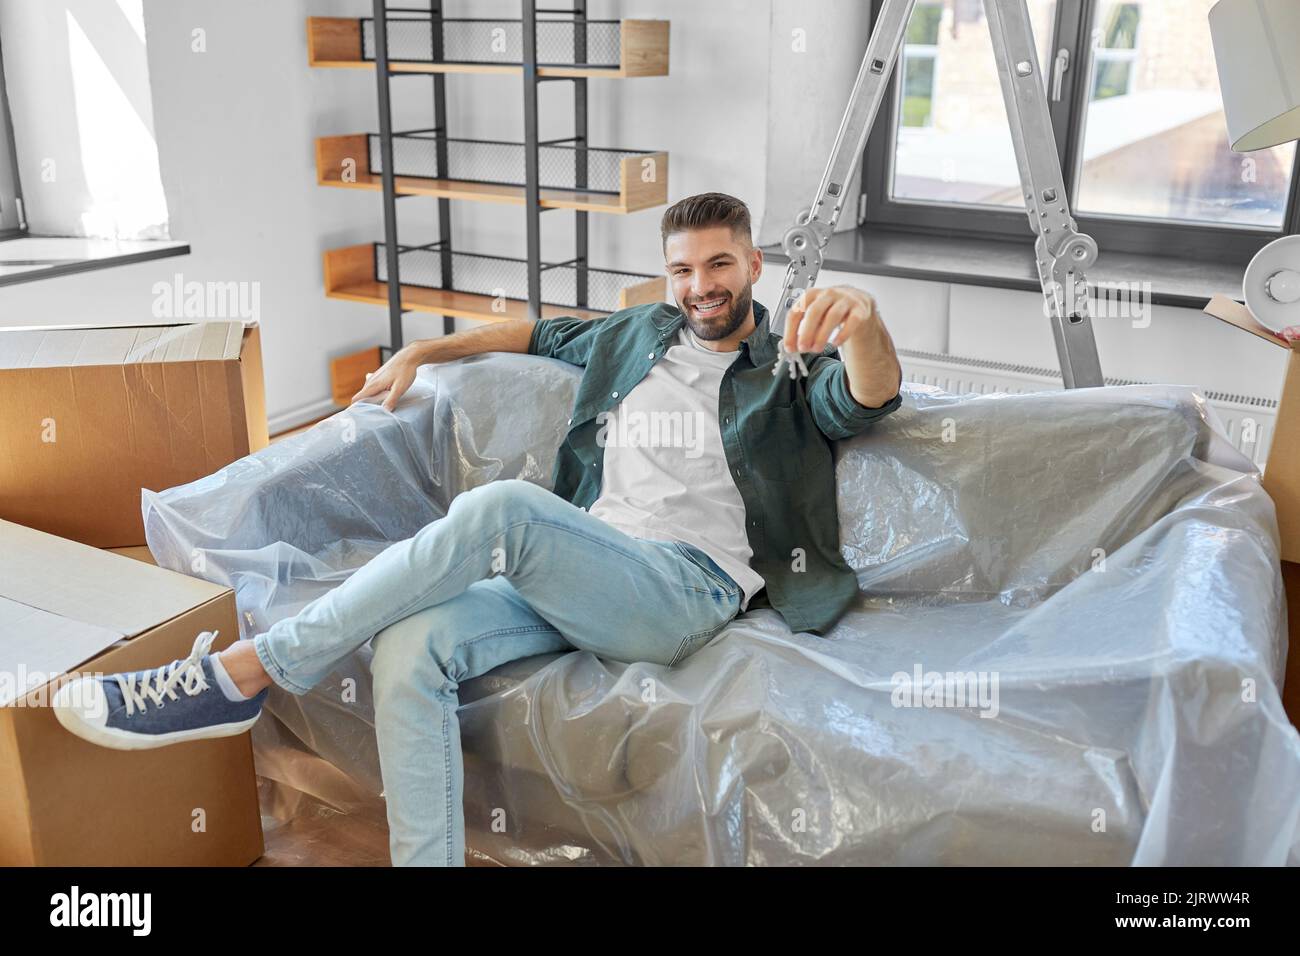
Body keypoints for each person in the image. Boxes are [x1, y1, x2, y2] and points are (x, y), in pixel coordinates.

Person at [53, 192, 903, 866]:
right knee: (409, 648)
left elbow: (867, 396)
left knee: (503, 511)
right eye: (683, 269)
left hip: (683, 589)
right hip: (588, 564)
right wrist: (419, 354)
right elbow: (529, 331)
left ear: (754, 264)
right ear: (666, 276)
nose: (701, 285)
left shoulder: (792, 365)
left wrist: (864, 322)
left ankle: (245, 672)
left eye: (720, 263)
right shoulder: (638, 334)